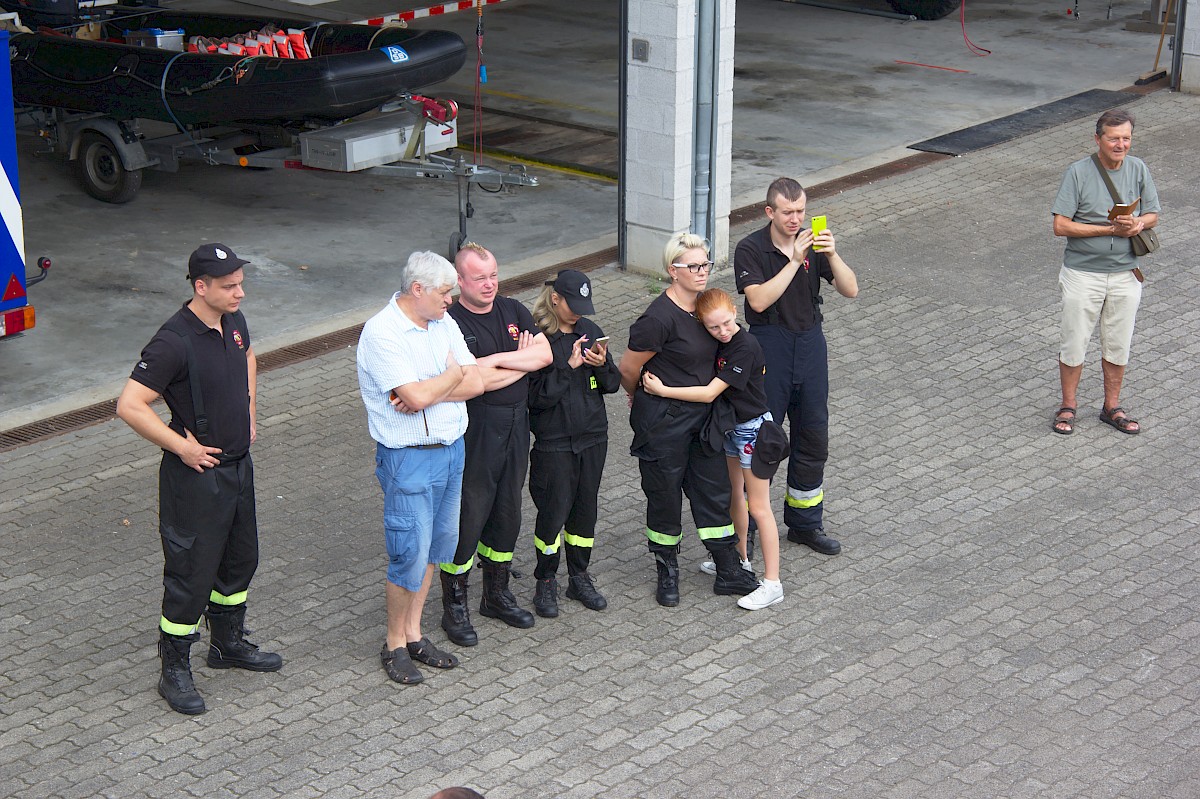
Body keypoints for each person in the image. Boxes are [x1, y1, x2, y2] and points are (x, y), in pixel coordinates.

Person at [116, 243, 282, 715]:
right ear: (200, 286)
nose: (240, 293)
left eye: (241, 283)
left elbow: (247, 358)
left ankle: (227, 645)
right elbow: (129, 405)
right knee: (190, 575)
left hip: (238, 467)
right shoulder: (172, 341)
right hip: (196, 478)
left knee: (239, 560)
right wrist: (182, 447)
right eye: (229, 287)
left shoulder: (233, 323)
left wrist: (249, 408)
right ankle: (174, 670)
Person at [356, 251, 483, 684]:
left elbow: (477, 381)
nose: (452, 300)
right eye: (446, 292)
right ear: (418, 290)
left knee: (434, 550)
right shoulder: (382, 333)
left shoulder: (444, 322)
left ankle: (414, 634)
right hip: (408, 458)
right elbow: (419, 396)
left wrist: (430, 389)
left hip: (451, 449)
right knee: (409, 553)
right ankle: (393, 644)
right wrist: (448, 378)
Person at [619, 233, 760, 607]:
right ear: (672, 271)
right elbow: (628, 368)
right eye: (693, 266)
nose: (702, 272)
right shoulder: (657, 320)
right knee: (664, 496)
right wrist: (637, 395)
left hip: (705, 419)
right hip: (664, 423)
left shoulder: (706, 308)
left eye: (705, 264)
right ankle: (667, 571)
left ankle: (727, 568)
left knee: (713, 491)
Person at [734, 177, 858, 557]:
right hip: (769, 346)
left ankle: (805, 523)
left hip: (810, 345)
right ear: (769, 212)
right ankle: (750, 528)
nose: (796, 219)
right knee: (765, 439)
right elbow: (757, 302)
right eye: (788, 212)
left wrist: (832, 255)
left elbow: (851, 289)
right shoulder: (750, 249)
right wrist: (793, 261)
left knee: (813, 435)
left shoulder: (813, 243)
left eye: (801, 211)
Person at [642, 288, 785, 610]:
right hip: (731, 430)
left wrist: (663, 390)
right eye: (713, 327)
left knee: (759, 507)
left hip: (752, 432)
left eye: (726, 323)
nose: (722, 331)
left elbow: (709, 393)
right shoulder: (722, 343)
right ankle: (741, 564)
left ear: (735, 310)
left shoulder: (744, 346)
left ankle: (773, 582)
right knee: (734, 498)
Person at [441, 243, 553, 645]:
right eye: (479, 278)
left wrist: (490, 363)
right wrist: (513, 364)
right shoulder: (448, 322)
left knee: (508, 509)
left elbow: (542, 356)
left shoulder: (513, 310)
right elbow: (467, 382)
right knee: (470, 512)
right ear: (459, 281)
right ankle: (454, 603)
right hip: (476, 428)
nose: (489, 285)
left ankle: (496, 594)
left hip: (516, 426)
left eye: (493, 275)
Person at [1050, 108, 1160, 436]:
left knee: (1118, 344)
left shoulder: (1138, 168)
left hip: (1126, 273)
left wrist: (1138, 223)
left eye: (1126, 138)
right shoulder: (1078, 173)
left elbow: (1153, 213)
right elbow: (1060, 225)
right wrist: (1109, 230)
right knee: (1074, 342)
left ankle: (1111, 406)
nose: (1121, 144)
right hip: (1083, 274)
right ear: (1097, 139)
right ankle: (1068, 405)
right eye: (1114, 138)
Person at [526, 269, 621, 617]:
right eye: (573, 304)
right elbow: (536, 399)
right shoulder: (537, 339)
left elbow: (611, 385)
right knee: (553, 513)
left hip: (593, 438)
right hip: (555, 442)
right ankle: (546, 580)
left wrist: (599, 366)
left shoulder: (590, 332)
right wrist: (567, 367)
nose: (579, 312)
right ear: (555, 299)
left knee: (585, 512)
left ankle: (578, 576)